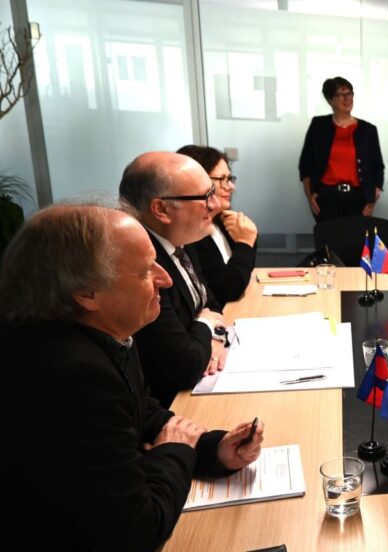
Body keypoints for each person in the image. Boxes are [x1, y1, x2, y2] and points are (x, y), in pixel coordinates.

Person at [0, 204, 264, 551]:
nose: (165, 279)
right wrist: (176, 451)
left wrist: (213, 449)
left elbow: (141, 414)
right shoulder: (69, 375)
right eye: (145, 271)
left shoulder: (101, 333)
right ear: (87, 292)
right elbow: (138, 531)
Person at [120, 151, 228, 407]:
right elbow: (185, 365)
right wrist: (205, 324)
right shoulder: (141, 262)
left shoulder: (181, 236)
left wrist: (212, 336)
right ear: (161, 209)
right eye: (205, 197)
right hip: (171, 403)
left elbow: (212, 303)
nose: (215, 205)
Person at [177, 145, 258, 304]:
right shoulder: (193, 233)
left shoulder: (222, 220)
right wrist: (245, 243)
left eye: (230, 178)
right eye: (222, 179)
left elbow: (244, 272)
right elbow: (228, 289)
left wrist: (247, 239)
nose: (231, 187)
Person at [299, 76, 385, 223]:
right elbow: (306, 164)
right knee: (329, 237)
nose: (347, 99)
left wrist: (372, 199)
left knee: (355, 237)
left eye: (350, 93)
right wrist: (309, 196)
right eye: (341, 94)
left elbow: (377, 166)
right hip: (326, 199)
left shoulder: (368, 130)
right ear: (330, 100)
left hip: (359, 199)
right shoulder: (319, 126)